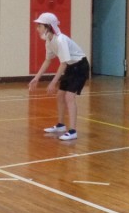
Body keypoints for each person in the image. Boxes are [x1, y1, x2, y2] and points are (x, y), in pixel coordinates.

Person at [28, 12, 90, 141]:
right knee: (60, 95)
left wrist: (53, 82)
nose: (37, 28)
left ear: (48, 27)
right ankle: (61, 125)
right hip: (71, 66)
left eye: (39, 26)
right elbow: (48, 60)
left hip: (80, 66)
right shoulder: (49, 41)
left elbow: (63, 63)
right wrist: (36, 78)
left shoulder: (61, 40)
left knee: (69, 96)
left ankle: (72, 131)